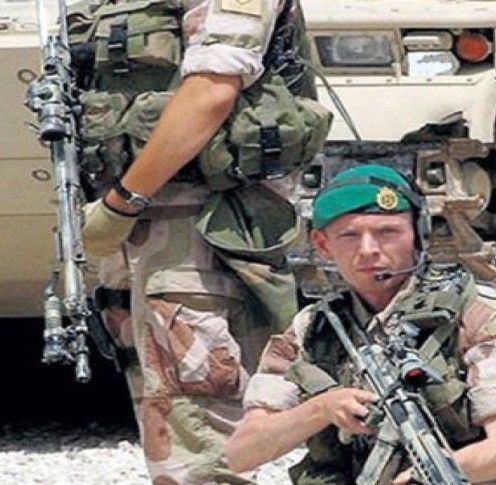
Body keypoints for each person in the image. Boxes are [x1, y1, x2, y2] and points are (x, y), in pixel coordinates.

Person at [76, 0, 328, 483]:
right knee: (168, 421)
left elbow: (212, 90)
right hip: (139, 229)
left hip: (201, 226)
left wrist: (121, 203)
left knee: (199, 436)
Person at [225, 164, 496, 484]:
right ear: (322, 246)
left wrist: (417, 479)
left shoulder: (477, 312)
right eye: (349, 236)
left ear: (418, 236)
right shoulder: (312, 328)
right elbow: (242, 453)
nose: (368, 250)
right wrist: (322, 409)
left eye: (387, 233)